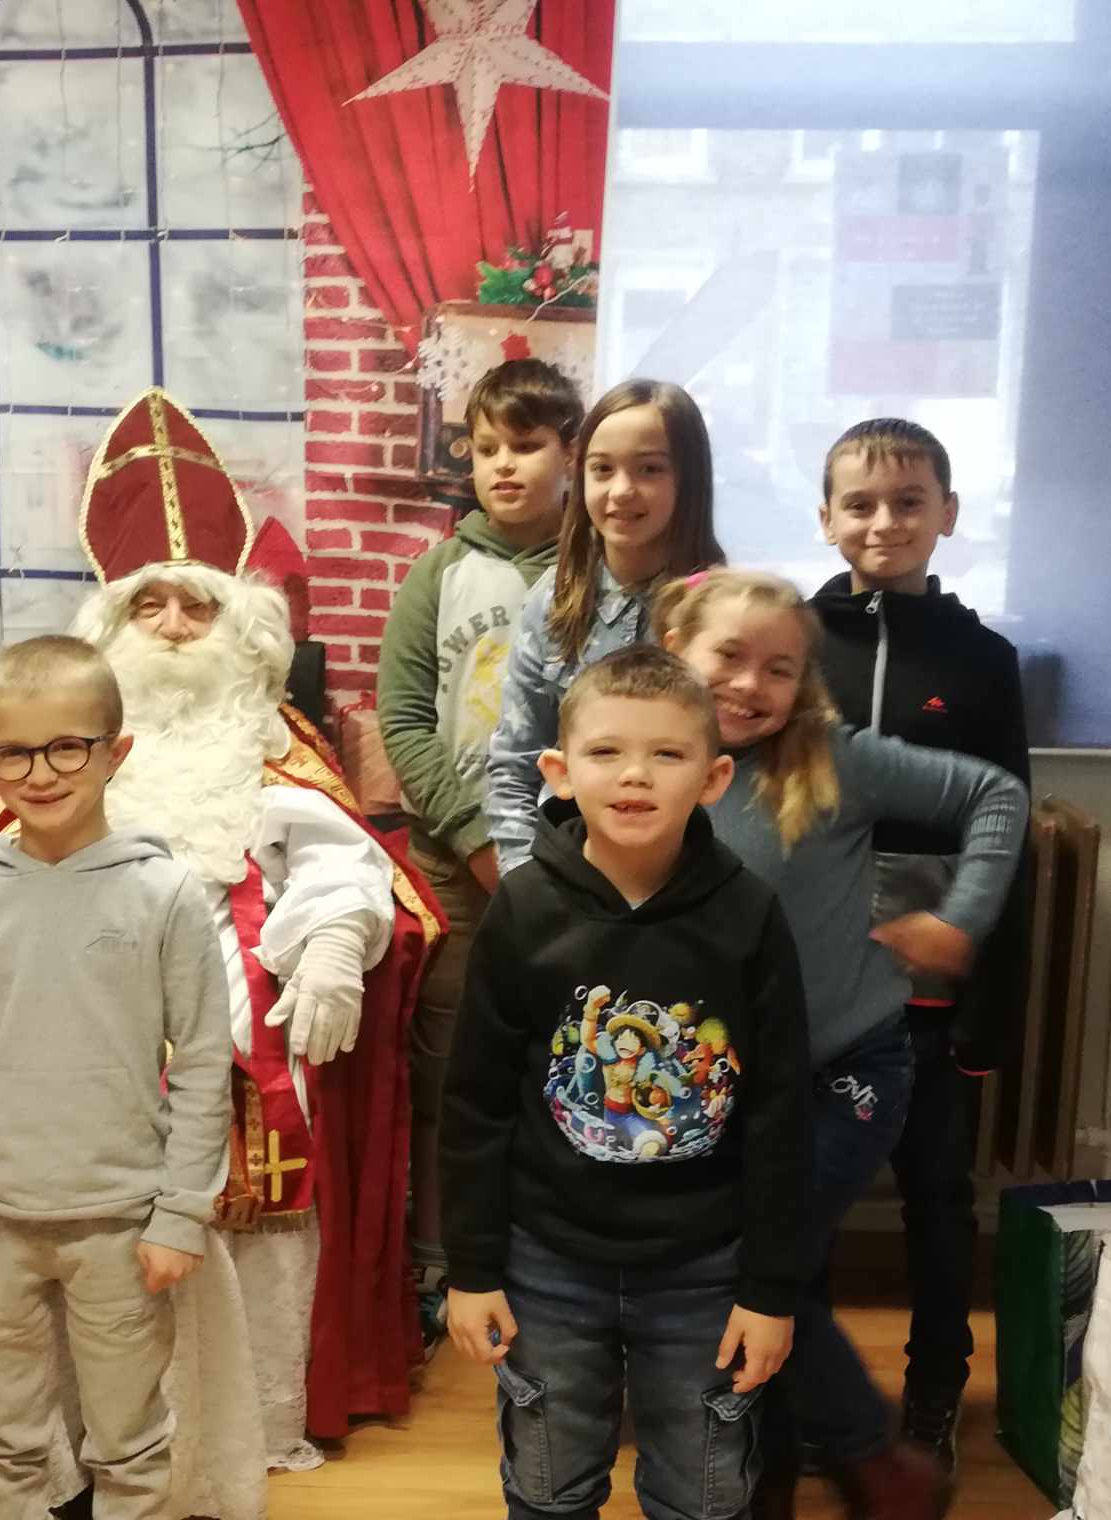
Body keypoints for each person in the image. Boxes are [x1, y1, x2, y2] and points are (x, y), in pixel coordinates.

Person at [0, 389, 439, 1518]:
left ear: (237, 626)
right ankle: (44, 1466)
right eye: (145, 604)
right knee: (30, 1350)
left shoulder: (271, 748)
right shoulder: (44, 767)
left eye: (193, 604)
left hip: (228, 1059)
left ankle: (198, 1450)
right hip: (47, 1101)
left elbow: (345, 863)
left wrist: (329, 945)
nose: (169, 625)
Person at [657, 569, 1027, 1520]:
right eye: (728, 656)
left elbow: (995, 795)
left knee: (748, 1265)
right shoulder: (653, 757)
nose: (750, 684)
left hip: (847, 1071)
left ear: (804, 681)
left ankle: (873, 1462)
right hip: (723, 1084)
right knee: (760, 1281)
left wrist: (960, 920)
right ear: (676, 650)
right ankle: (771, 1481)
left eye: (779, 668)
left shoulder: (836, 759)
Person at [440, 644, 812, 1520]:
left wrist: (769, 1290)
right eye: (606, 751)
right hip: (546, 1264)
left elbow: (781, 1115)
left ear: (713, 778)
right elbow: (475, 1106)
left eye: (667, 754)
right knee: (548, 1486)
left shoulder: (749, 915)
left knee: (703, 1494)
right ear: (559, 773)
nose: (635, 774)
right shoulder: (524, 910)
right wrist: (472, 1270)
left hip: (705, 1267)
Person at [0, 635, 234, 1520]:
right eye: (13, 752)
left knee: (130, 1441)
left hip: (121, 1223)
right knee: (4, 1439)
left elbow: (205, 1063)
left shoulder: (166, 896)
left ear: (115, 751)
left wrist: (181, 1214)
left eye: (67, 747)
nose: (40, 773)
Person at [809, 418, 1032, 1469]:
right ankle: (801, 1395)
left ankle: (935, 1390)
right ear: (825, 518)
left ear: (946, 513)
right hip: (814, 987)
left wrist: (987, 1004)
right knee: (798, 1200)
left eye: (907, 502)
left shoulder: (982, 660)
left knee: (938, 1200)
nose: (883, 522)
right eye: (858, 503)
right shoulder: (792, 643)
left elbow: (1009, 824)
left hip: (928, 996)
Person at [376, 357, 584, 1350]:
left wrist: (554, 848)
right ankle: (439, 1261)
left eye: (526, 446)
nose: (502, 466)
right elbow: (403, 721)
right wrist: (476, 838)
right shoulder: (438, 573)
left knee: (571, 1058)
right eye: (486, 447)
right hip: (455, 867)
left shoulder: (599, 574)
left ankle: (555, 1261)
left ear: (569, 453)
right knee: (452, 1068)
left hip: (581, 867)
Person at [485, 379, 726, 873]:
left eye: (649, 469)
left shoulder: (720, 612)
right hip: (565, 872)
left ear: (688, 478)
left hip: (685, 879)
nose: (621, 491)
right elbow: (515, 762)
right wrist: (525, 882)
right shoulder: (553, 602)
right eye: (602, 469)